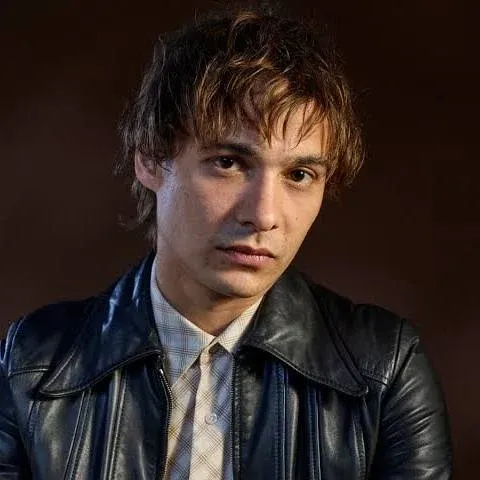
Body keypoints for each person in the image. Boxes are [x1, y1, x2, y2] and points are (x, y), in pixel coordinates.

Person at [0, 6, 451, 479]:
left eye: (299, 174)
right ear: (150, 159)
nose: (264, 215)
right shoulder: (32, 364)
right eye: (229, 163)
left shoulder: (384, 371)